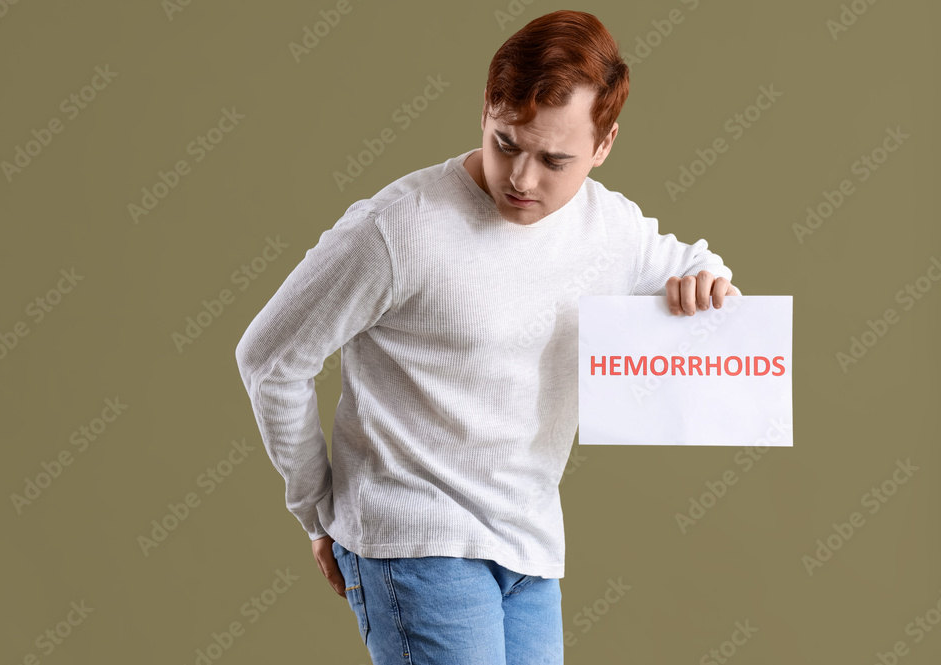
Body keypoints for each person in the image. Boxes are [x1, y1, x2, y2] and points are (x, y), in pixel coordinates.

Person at [234, 9, 740, 664]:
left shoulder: (610, 227)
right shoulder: (399, 229)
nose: (523, 178)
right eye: (507, 142)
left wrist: (708, 281)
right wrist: (317, 510)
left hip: (529, 547)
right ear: (486, 107)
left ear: (605, 144)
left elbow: (694, 263)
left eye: (555, 159)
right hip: (416, 538)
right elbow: (270, 357)